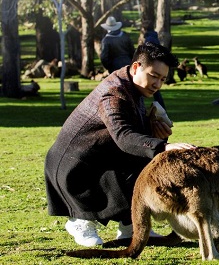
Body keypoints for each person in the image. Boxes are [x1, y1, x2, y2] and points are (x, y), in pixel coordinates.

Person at [44, 42, 196, 247]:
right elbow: (124, 136)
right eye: (153, 75)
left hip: (101, 156)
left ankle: (129, 225)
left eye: (162, 79)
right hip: (75, 165)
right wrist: (162, 147)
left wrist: (154, 132)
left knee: (143, 160)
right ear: (136, 67)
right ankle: (80, 220)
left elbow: (129, 134)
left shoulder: (134, 87)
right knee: (142, 157)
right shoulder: (113, 93)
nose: (157, 84)